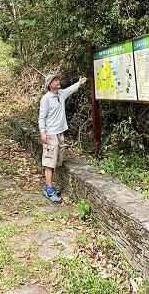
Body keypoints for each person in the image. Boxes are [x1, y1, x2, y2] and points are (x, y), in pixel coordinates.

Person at [38, 72, 88, 203]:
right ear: (49, 85)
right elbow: (41, 117)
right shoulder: (46, 99)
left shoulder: (61, 94)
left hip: (60, 133)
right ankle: (49, 189)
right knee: (49, 162)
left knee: (58, 160)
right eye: (54, 80)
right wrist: (43, 133)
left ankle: (50, 186)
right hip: (50, 134)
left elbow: (70, 89)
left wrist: (80, 83)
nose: (58, 82)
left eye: (57, 79)